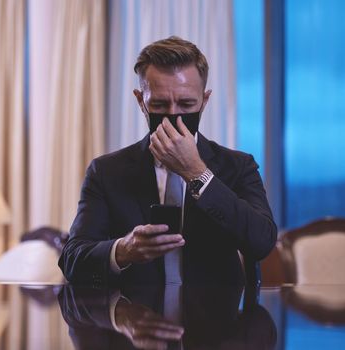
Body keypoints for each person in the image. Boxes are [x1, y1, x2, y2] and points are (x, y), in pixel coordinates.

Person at [58, 36, 277, 286]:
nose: (173, 114)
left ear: (204, 101)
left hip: (216, 321)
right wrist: (121, 250)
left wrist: (197, 174)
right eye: (160, 104)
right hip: (132, 315)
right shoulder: (107, 171)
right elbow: (72, 259)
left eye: (186, 104)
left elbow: (262, 242)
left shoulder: (238, 166)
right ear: (141, 101)